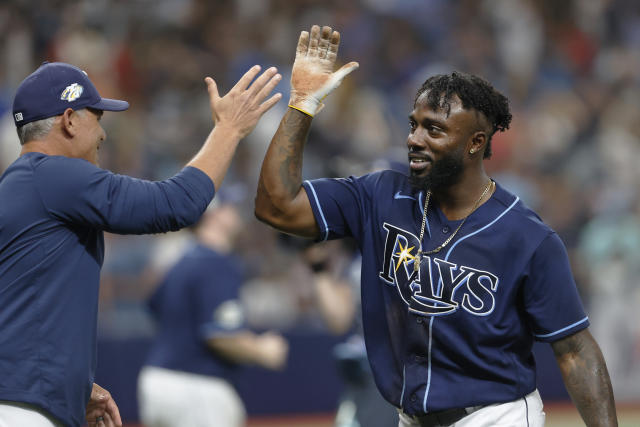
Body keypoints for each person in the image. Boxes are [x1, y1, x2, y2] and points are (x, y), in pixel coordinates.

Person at [254, 25, 618, 426]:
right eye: (414, 124)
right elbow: (276, 206)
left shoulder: (527, 237)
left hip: (494, 416)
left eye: (434, 129)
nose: (414, 138)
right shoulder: (380, 195)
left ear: (475, 143)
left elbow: (575, 351)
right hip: (410, 417)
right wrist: (302, 105)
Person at [0, 61, 281, 427]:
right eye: (97, 118)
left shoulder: (17, 188)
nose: (103, 134)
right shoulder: (53, 175)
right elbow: (175, 205)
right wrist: (228, 130)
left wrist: (66, 385)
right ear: (69, 120)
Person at [137, 194, 289, 427]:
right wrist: (263, 350)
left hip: (156, 381)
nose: (236, 211)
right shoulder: (215, 262)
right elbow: (220, 335)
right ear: (214, 215)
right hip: (197, 387)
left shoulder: (181, 261)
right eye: (229, 205)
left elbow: (153, 305)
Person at [303, 240, 398, 427]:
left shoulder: (405, 243)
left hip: (398, 369)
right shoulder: (359, 257)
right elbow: (338, 320)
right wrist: (318, 267)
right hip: (369, 373)